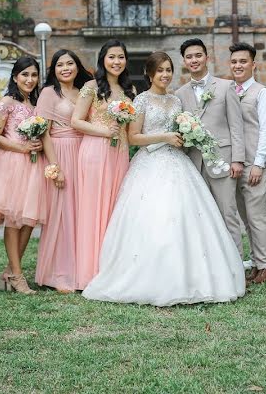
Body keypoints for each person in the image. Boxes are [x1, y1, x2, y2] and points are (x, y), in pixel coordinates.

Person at [82, 52, 246, 306]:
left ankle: (193, 277)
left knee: (187, 217)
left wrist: (185, 136)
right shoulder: (141, 100)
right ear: (149, 74)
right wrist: (164, 138)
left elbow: (179, 131)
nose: (165, 75)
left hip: (178, 163)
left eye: (168, 69)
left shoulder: (176, 100)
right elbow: (134, 137)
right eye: (159, 70)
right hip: (149, 165)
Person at [0, 57, 64, 294]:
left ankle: (10, 269)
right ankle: (18, 277)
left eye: (33, 75)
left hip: (34, 165)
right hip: (12, 165)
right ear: (15, 77)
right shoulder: (6, 103)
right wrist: (21, 148)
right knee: (15, 220)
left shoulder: (36, 104)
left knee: (29, 220)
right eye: (24, 75)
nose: (30, 80)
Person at [71, 40, 136, 290]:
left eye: (121, 57)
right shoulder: (90, 87)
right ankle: (90, 272)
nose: (116, 62)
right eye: (112, 57)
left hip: (120, 153)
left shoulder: (129, 90)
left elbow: (132, 128)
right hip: (95, 151)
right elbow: (76, 120)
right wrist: (103, 130)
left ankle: (114, 268)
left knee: (115, 208)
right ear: (103, 60)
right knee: (94, 208)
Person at [174, 38, 245, 253]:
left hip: (222, 161)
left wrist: (238, 160)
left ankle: (236, 264)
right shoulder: (180, 94)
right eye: (189, 57)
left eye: (198, 55)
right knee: (201, 217)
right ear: (184, 61)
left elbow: (236, 126)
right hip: (194, 164)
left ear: (207, 57)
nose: (194, 60)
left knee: (228, 213)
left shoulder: (225, 86)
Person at [35, 50, 91, 293]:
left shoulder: (84, 92)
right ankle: (59, 273)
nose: (66, 68)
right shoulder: (49, 93)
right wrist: (54, 167)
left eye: (70, 63)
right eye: (60, 65)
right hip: (60, 151)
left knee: (81, 213)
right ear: (53, 70)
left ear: (77, 66)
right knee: (61, 213)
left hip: (83, 152)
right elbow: (43, 132)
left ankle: (82, 271)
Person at [229, 42, 266, 284]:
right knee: (246, 216)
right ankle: (256, 262)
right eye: (234, 62)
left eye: (243, 61)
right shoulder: (229, 91)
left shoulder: (262, 93)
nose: (238, 65)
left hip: (256, 163)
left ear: (253, 64)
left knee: (257, 215)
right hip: (236, 163)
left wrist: (259, 163)